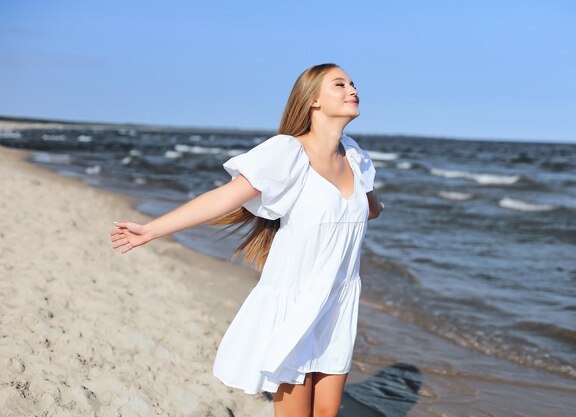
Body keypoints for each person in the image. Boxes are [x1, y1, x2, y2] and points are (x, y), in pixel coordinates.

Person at [110, 62, 385, 417]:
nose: (352, 90)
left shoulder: (356, 156)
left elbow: (369, 207)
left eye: (352, 83)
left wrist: (364, 201)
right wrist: (153, 229)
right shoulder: (287, 153)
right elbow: (224, 197)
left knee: (328, 413)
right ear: (313, 101)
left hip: (339, 299)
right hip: (297, 301)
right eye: (339, 84)